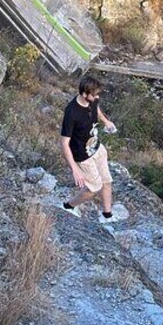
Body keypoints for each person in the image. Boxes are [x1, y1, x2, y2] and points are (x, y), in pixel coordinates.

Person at [60, 75, 117, 223]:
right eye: (94, 95)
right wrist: (75, 169)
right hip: (83, 157)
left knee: (107, 181)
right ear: (84, 94)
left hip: (97, 148)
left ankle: (107, 216)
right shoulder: (71, 112)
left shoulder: (92, 99)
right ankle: (68, 206)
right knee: (93, 189)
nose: (97, 97)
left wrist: (106, 121)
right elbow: (64, 143)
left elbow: (96, 108)